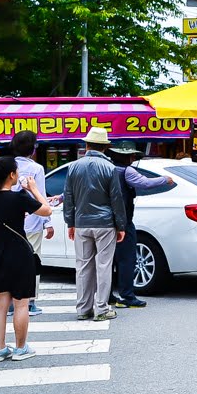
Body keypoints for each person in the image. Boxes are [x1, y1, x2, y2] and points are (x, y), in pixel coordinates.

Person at [0, 156, 52, 361]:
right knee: (21, 304)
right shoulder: (19, 198)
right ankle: (20, 348)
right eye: (16, 171)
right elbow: (47, 210)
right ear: (11, 175)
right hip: (20, 255)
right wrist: (33, 189)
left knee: (0, 305)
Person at [64, 127, 126, 322]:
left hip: (81, 222)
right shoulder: (110, 168)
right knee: (104, 266)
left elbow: (68, 197)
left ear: (87, 145)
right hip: (105, 223)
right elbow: (116, 199)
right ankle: (101, 308)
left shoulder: (73, 167)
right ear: (105, 148)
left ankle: (83, 308)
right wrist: (121, 225)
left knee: (82, 266)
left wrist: (70, 222)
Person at [108, 142, 175, 308]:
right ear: (127, 156)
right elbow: (145, 183)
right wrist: (165, 179)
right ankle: (127, 296)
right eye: (131, 156)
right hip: (123, 221)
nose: (133, 158)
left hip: (105, 221)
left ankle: (107, 295)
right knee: (126, 259)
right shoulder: (127, 171)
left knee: (107, 261)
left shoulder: (107, 169)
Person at [10, 131, 50, 317]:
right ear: (33, 149)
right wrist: (47, 222)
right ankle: (31, 302)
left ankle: (10, 302)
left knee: (11, 262)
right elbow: (40, 197)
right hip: (32, 222)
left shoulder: (7, 166)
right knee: (32, 262)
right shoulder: (37, 169)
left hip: (10, 222)